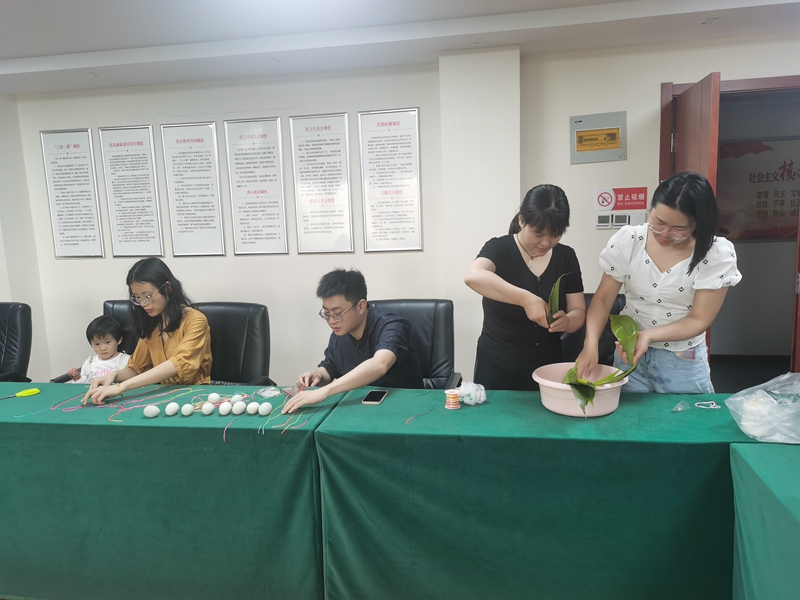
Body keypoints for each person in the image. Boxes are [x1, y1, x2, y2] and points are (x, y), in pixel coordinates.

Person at [576, 172, 742, 393]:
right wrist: (590, 344)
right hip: (628, 354)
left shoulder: (716, 253)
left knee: (686, 416)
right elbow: (604, 298)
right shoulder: (629, 241)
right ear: (651, 209)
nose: (665, 234)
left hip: (682, 360)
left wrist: (648, 336)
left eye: (678, 228)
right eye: (658, 222)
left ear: (698, 223)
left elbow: (699, 319)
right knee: (626, 415)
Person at [465, 184, 585, 391]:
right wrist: (526, 299)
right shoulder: (500, 248)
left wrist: (568, 321)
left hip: (548, 366)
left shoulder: (566, 257)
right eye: (538, 234)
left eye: (555, 234)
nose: (546, 242)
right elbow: (473, 276)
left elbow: (579, 311)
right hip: (498, 365)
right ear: (522, 220)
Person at [283, 268, 423, 414]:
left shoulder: (392, 326)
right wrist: (317, 376)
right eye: (327, 314)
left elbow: (379, 364)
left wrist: (325, 391)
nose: (331, 321)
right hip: (360, 408)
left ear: (361, 306)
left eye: (337, 314)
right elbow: (330, 368)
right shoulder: (340, 332)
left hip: (406, 408)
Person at [82, 258, 212, 404]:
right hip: (164, 395)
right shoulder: (151, 323)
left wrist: (121, 387)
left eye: (148, 296)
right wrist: (114, 375)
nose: (143, 304)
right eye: (137, 298)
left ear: (167, 288)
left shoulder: (195, 320)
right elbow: (137, 368)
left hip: (196, 396)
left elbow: (179, 364)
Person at [68, 315, 130, 383]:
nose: (103, 348)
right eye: (97, 344)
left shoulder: (127, 361)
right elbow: (84, 386)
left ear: (119, 340)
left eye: (107, 342)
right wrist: (79, 379)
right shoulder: (89, 364)